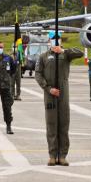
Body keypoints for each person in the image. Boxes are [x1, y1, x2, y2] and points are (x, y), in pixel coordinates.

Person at [35, 31, 83, 166]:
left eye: (58, 38)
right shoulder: (43, 56)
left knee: (63, 124)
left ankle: (62, 156)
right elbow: (38, 74)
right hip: (50, 95)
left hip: (63, 95)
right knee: (51, 125)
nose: (55, 41)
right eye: (53, 39)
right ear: (49, 41)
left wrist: (63, 50)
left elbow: (80, 53)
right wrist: (48, 88)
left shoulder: (66, 54)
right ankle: (52, 155)